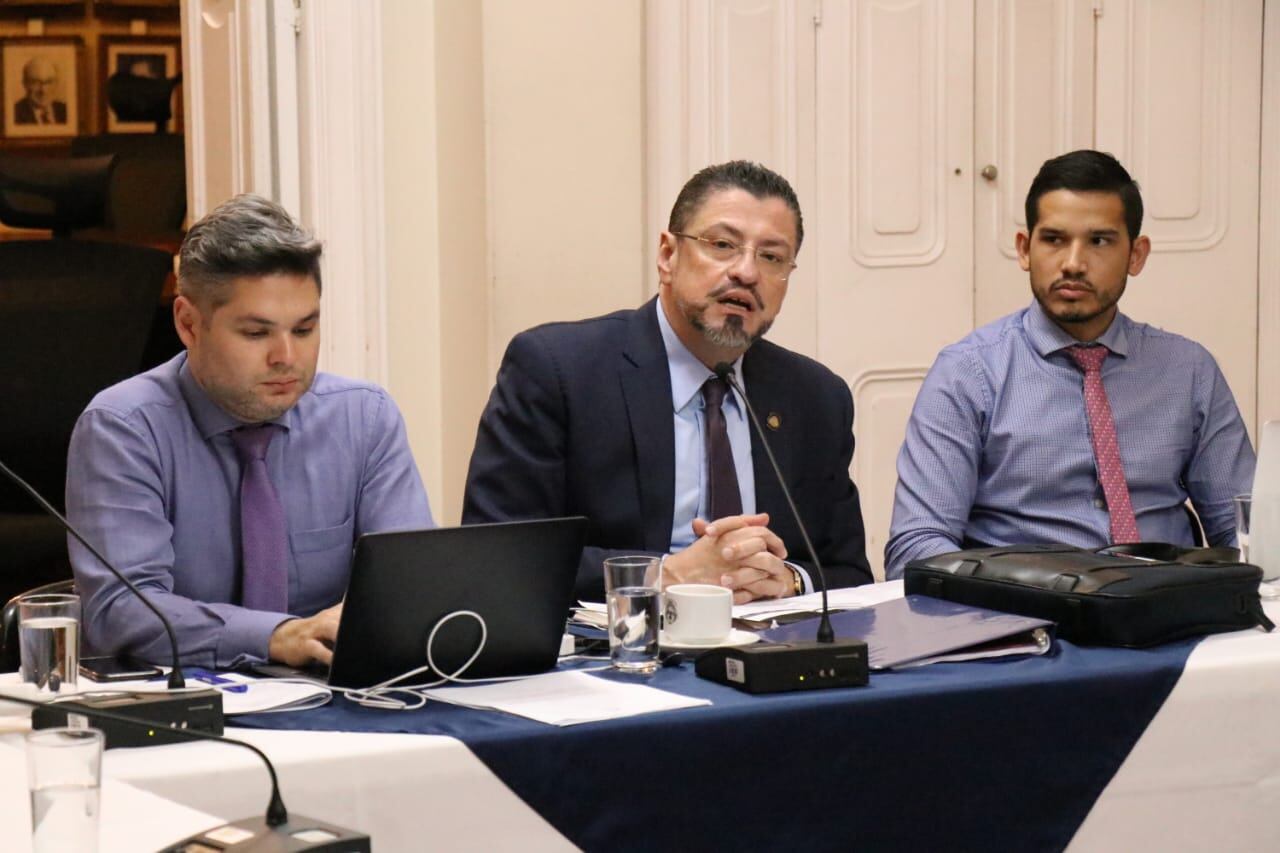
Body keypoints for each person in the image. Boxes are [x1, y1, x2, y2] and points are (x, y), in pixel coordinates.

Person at [463, 160, 871, 603]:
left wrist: (788, 580)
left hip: (770, 654)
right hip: (616, 657)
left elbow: (850, 574)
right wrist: (664, 575)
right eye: (722, 244)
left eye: (771, 257)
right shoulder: (559, 371)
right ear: (667, 256)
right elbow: (498, 558)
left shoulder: (816, 398)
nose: (746, 272)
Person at [66, 195, 433, 668]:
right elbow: (121, 610)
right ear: (188, 323)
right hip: (183, 710)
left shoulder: (364, 418)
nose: (286, 356)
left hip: (341, 698)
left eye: (304, 330)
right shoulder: (123, 429)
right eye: (256, 334)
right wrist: (276, 636)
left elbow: (413, 586)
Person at [884, 149, 1254, 579]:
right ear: (1025, 249)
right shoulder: (968, 374)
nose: (1073, 263)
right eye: (1054, 240)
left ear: (1136, 255)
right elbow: (917, 546)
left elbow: (1244, 530)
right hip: (1027, 621)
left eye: (1099, 241)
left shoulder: (1188, 371)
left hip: (1168, 610)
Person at [13, 57, 68, 125]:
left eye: (48, 82)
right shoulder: (14, 114)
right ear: (25, 84)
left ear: (56, 83)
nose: (43, 90)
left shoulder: (66, 110)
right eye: (35, 82)